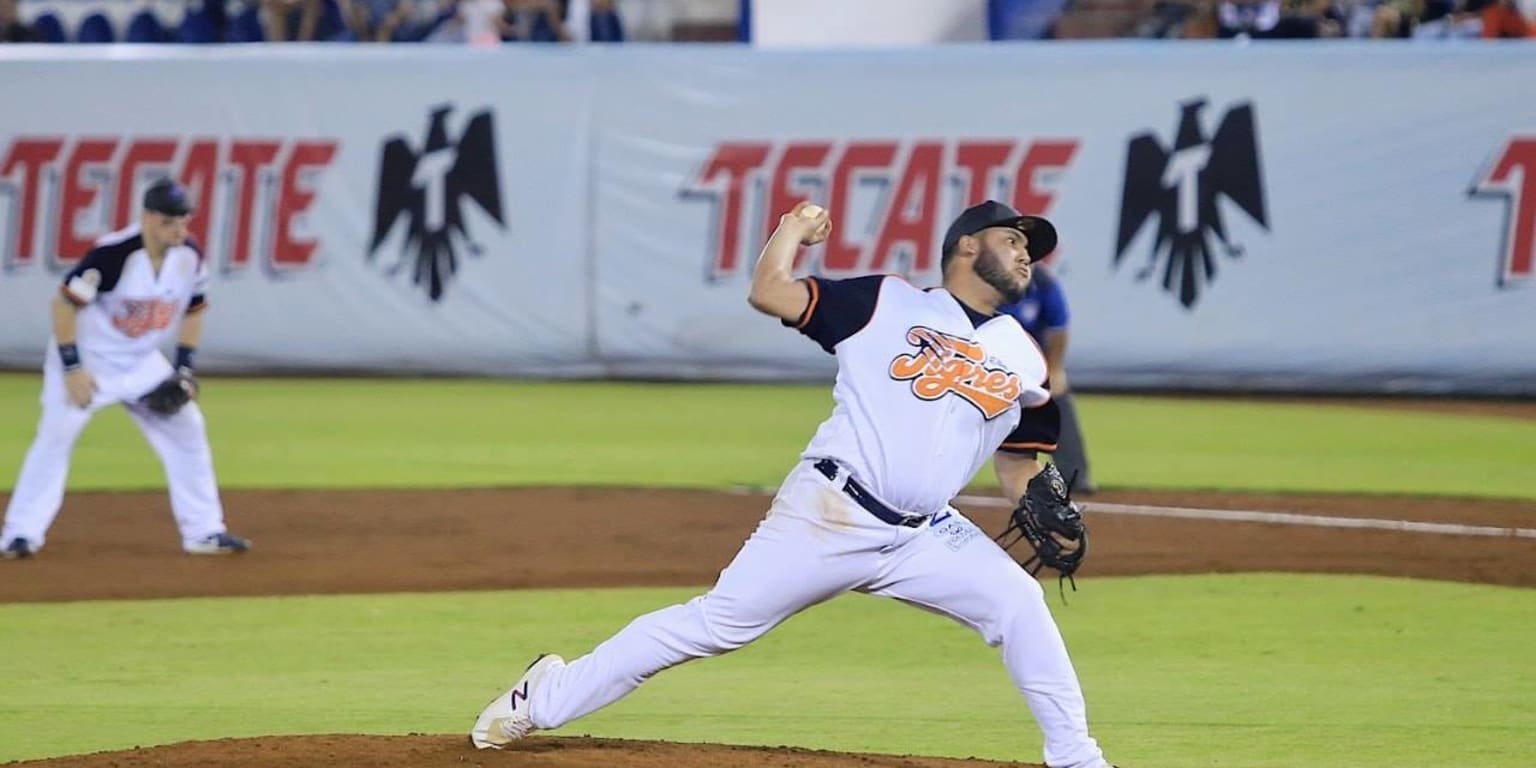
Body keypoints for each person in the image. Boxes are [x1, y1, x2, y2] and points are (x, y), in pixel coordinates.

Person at [470, 200, 1115, 768]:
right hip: (829, 512)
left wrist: (1037, 496)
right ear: (967, 246)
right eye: (1014, 240)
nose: (1026, 254)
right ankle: (541, 698)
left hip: (926, 533)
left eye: (1030, 248)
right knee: (714, 626)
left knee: (1019, 605)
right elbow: (771, 291)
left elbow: (1018, 457)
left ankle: (1078, 759)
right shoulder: (886, 302)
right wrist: (791, 228)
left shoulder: (1022, 351)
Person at [0, 179, 250, 560]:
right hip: (90, 359)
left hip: (141, 360)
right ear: (148, 217)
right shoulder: (114, 254)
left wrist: (183, 369)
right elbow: (64, 305)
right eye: (170, 221)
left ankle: (204, 531)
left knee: (188, 428)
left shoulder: (189, 256)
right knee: (56, 435)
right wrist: (72, 369)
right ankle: (20, 534)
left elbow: (196, 310)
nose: (180, 228)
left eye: (184, 220)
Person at [998, 261, 1097, 495]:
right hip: (988, 364)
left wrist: (1055, 369)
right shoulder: (989, 284)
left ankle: (1076, 476)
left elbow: (1059, 327)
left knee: (1059, 403)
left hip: (1034, 365)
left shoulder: (1043, 282)